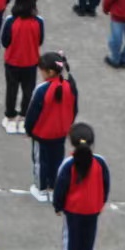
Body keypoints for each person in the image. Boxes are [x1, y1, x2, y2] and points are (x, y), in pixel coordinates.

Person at [53, 122, 110, 250]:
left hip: (73, 208)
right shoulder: (100, 162)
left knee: (72, 236)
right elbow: (106, 184)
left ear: (71, 142)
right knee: (88, 237)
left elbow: (61, 187)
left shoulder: (69, 163)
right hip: (93, 208)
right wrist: (101, 202)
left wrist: (58, 206)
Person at [25, 50, 78, 202]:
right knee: (57, 161)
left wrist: (28, 130)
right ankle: (54, 188)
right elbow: (74, 110)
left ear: (50, 72)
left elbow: (32, 113)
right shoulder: (70, 86)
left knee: (40, 162)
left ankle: (41, 189)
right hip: (61, 133)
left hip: (41, 134)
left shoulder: (42, 89)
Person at [0, 0, 44, 133]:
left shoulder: (10, 20)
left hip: (12, 61)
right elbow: (40, 41)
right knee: (28, 91)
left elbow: (5, 41)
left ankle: (10, 117)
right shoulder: (39, 21)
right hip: (31, 62)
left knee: (11, 89)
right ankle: (24, 117)